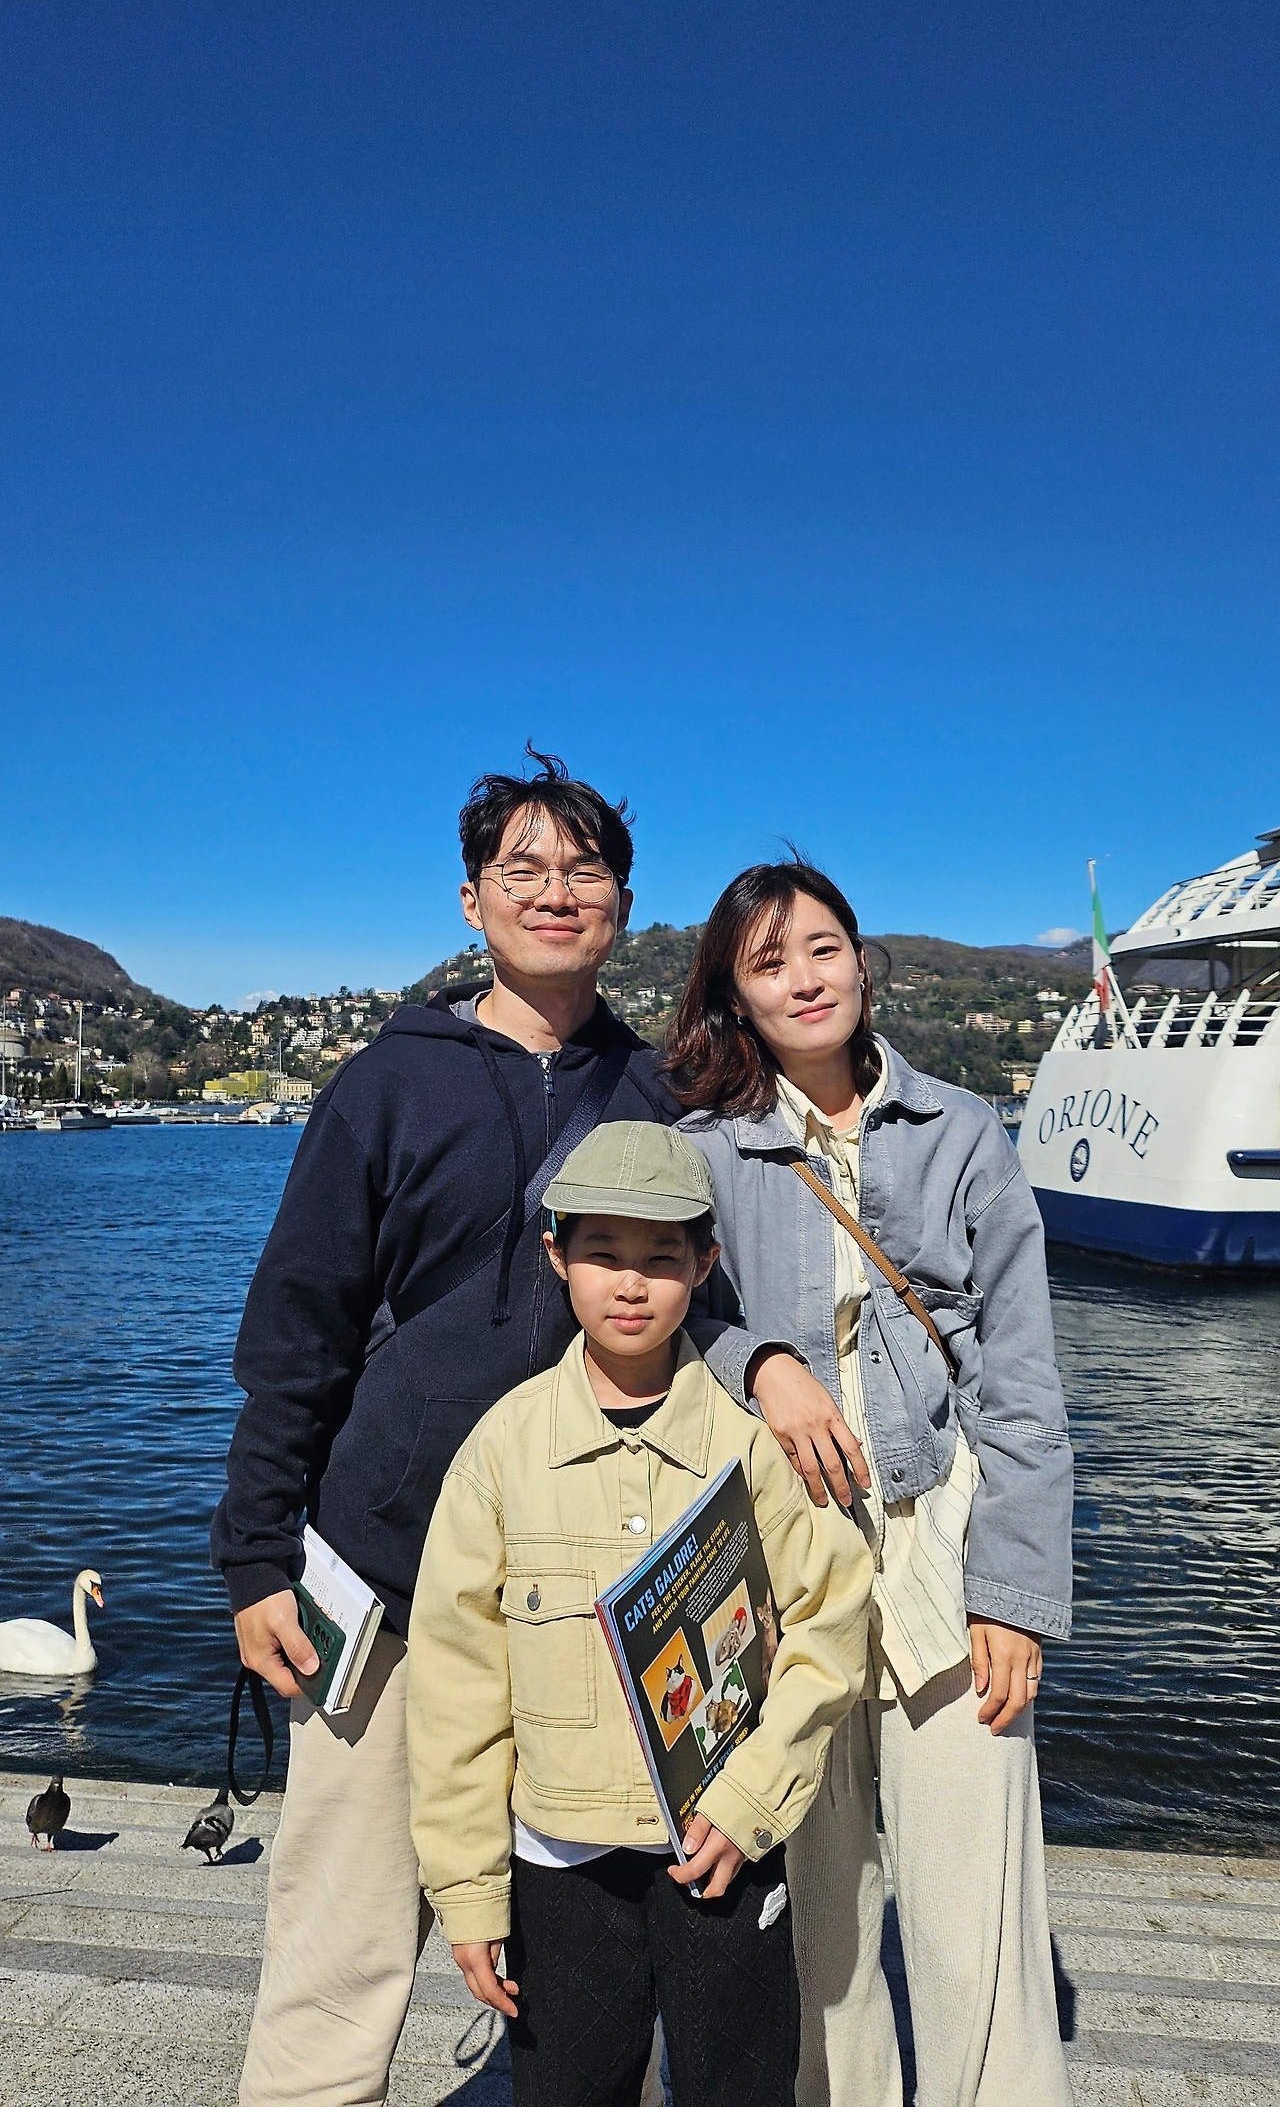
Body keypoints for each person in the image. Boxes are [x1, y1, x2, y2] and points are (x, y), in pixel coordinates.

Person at [211, 752, 761, 2107]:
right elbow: (297, 1327)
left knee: (584, 1954)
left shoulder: (661, 1093)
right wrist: (255, 1554)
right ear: (472, 900)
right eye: (522, 868)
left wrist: (780, 1366)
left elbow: (711, 1300)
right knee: (339, 1939)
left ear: (622, 904)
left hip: (591, 1587)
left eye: (584, 868)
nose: (554, 891)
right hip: (389, 1569)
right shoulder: (382, 1085)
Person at [666, 860, 1075, 2107]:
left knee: (975, 1902)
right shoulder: (703, 1151)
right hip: (786, 1564)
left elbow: (1019, 1377)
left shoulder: (960, 1130)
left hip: (939, 1543)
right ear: (734, 995)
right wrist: (759, 1359)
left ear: (860, 959)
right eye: (768, 960)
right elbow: (654, 1308)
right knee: (822, 1912)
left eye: (822, 946)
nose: (803, 977)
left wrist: (1013, 1590)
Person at [406, 1120, 874, 2107]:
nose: (631, 1283)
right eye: (602, 1252)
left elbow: (829, 1624)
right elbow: (456, 1687)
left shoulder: (754, 1444)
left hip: (724, 1849)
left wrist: (752, 1798)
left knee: (738, 2086)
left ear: (705, 1263)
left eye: (662, 1256)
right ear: (556, 1256)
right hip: (558, 1862)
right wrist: (469, 1889)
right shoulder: (501, 1449)